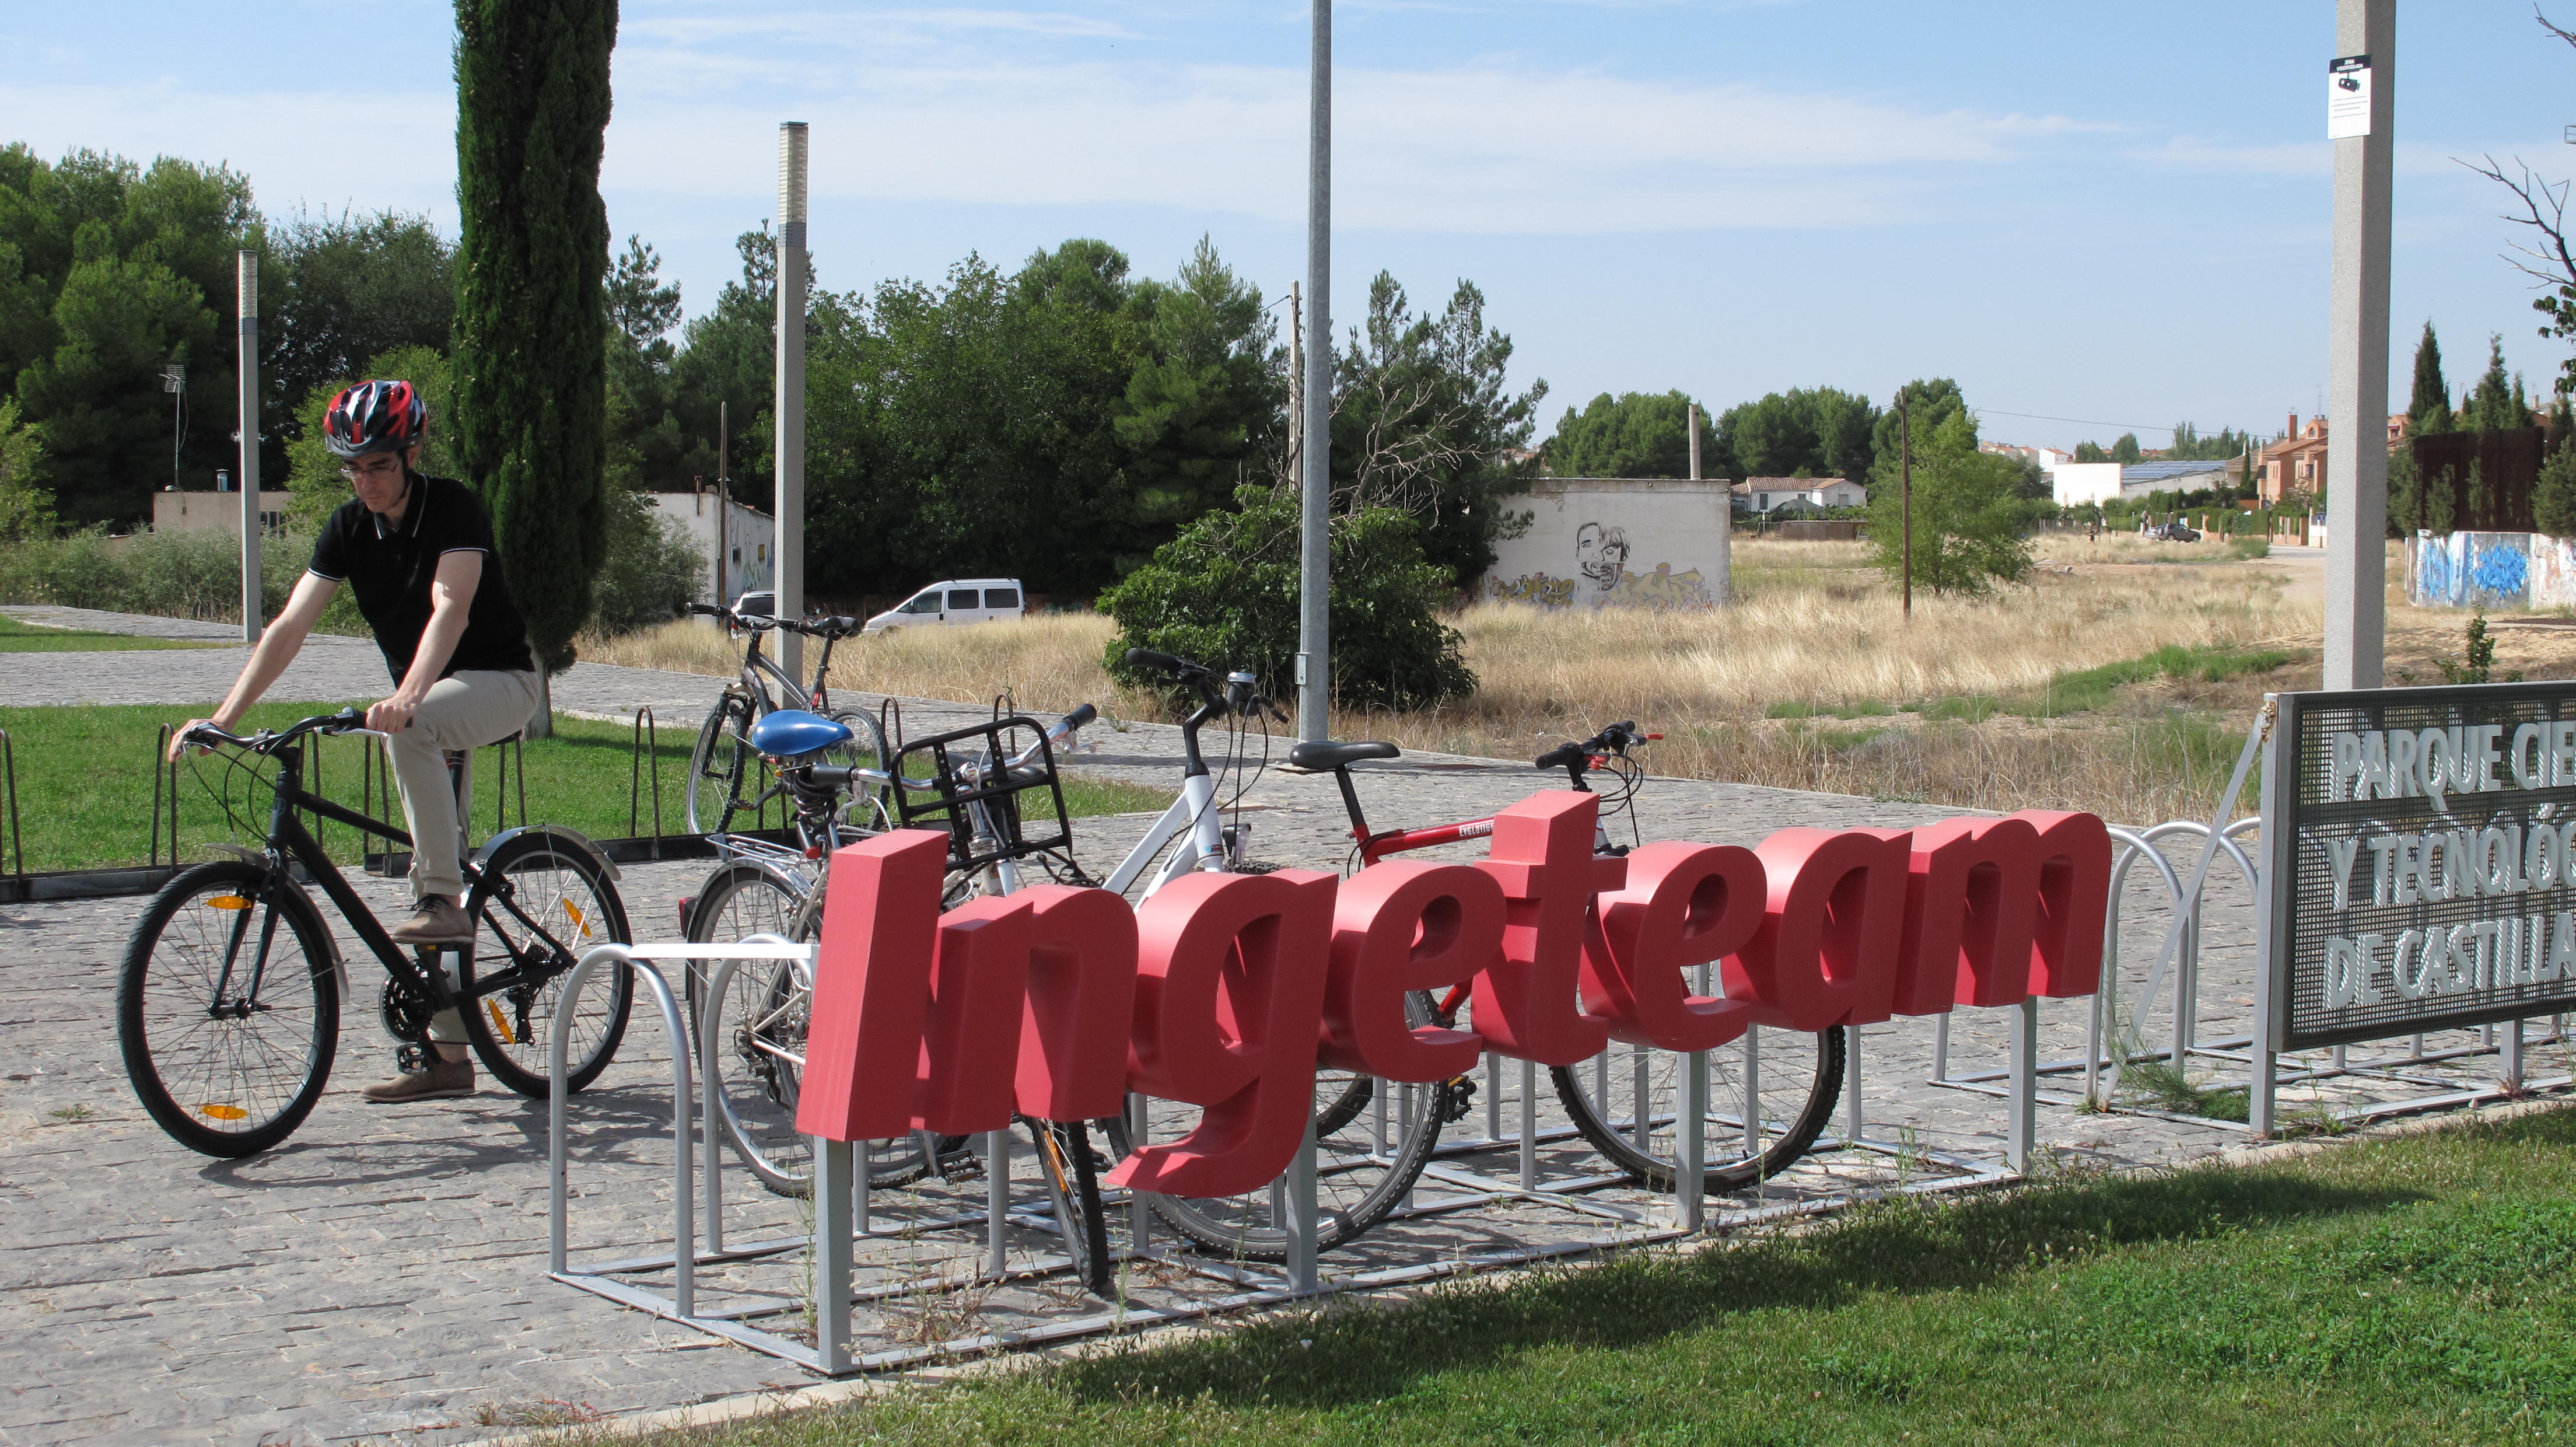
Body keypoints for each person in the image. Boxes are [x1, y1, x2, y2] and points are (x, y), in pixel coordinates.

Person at [172, 380, 539, 1104]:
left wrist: (407, 696)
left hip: (499, 679)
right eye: (354, 467)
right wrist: (225, 717)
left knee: (420, 739)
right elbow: (289, 627)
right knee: (425, 843)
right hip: (427, 697)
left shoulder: (454, 506)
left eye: (379, 465)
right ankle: (449, 1059)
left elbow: (451, 607)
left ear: (411, 453)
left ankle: (444, 894)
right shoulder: (346, 529)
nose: (366, 481)